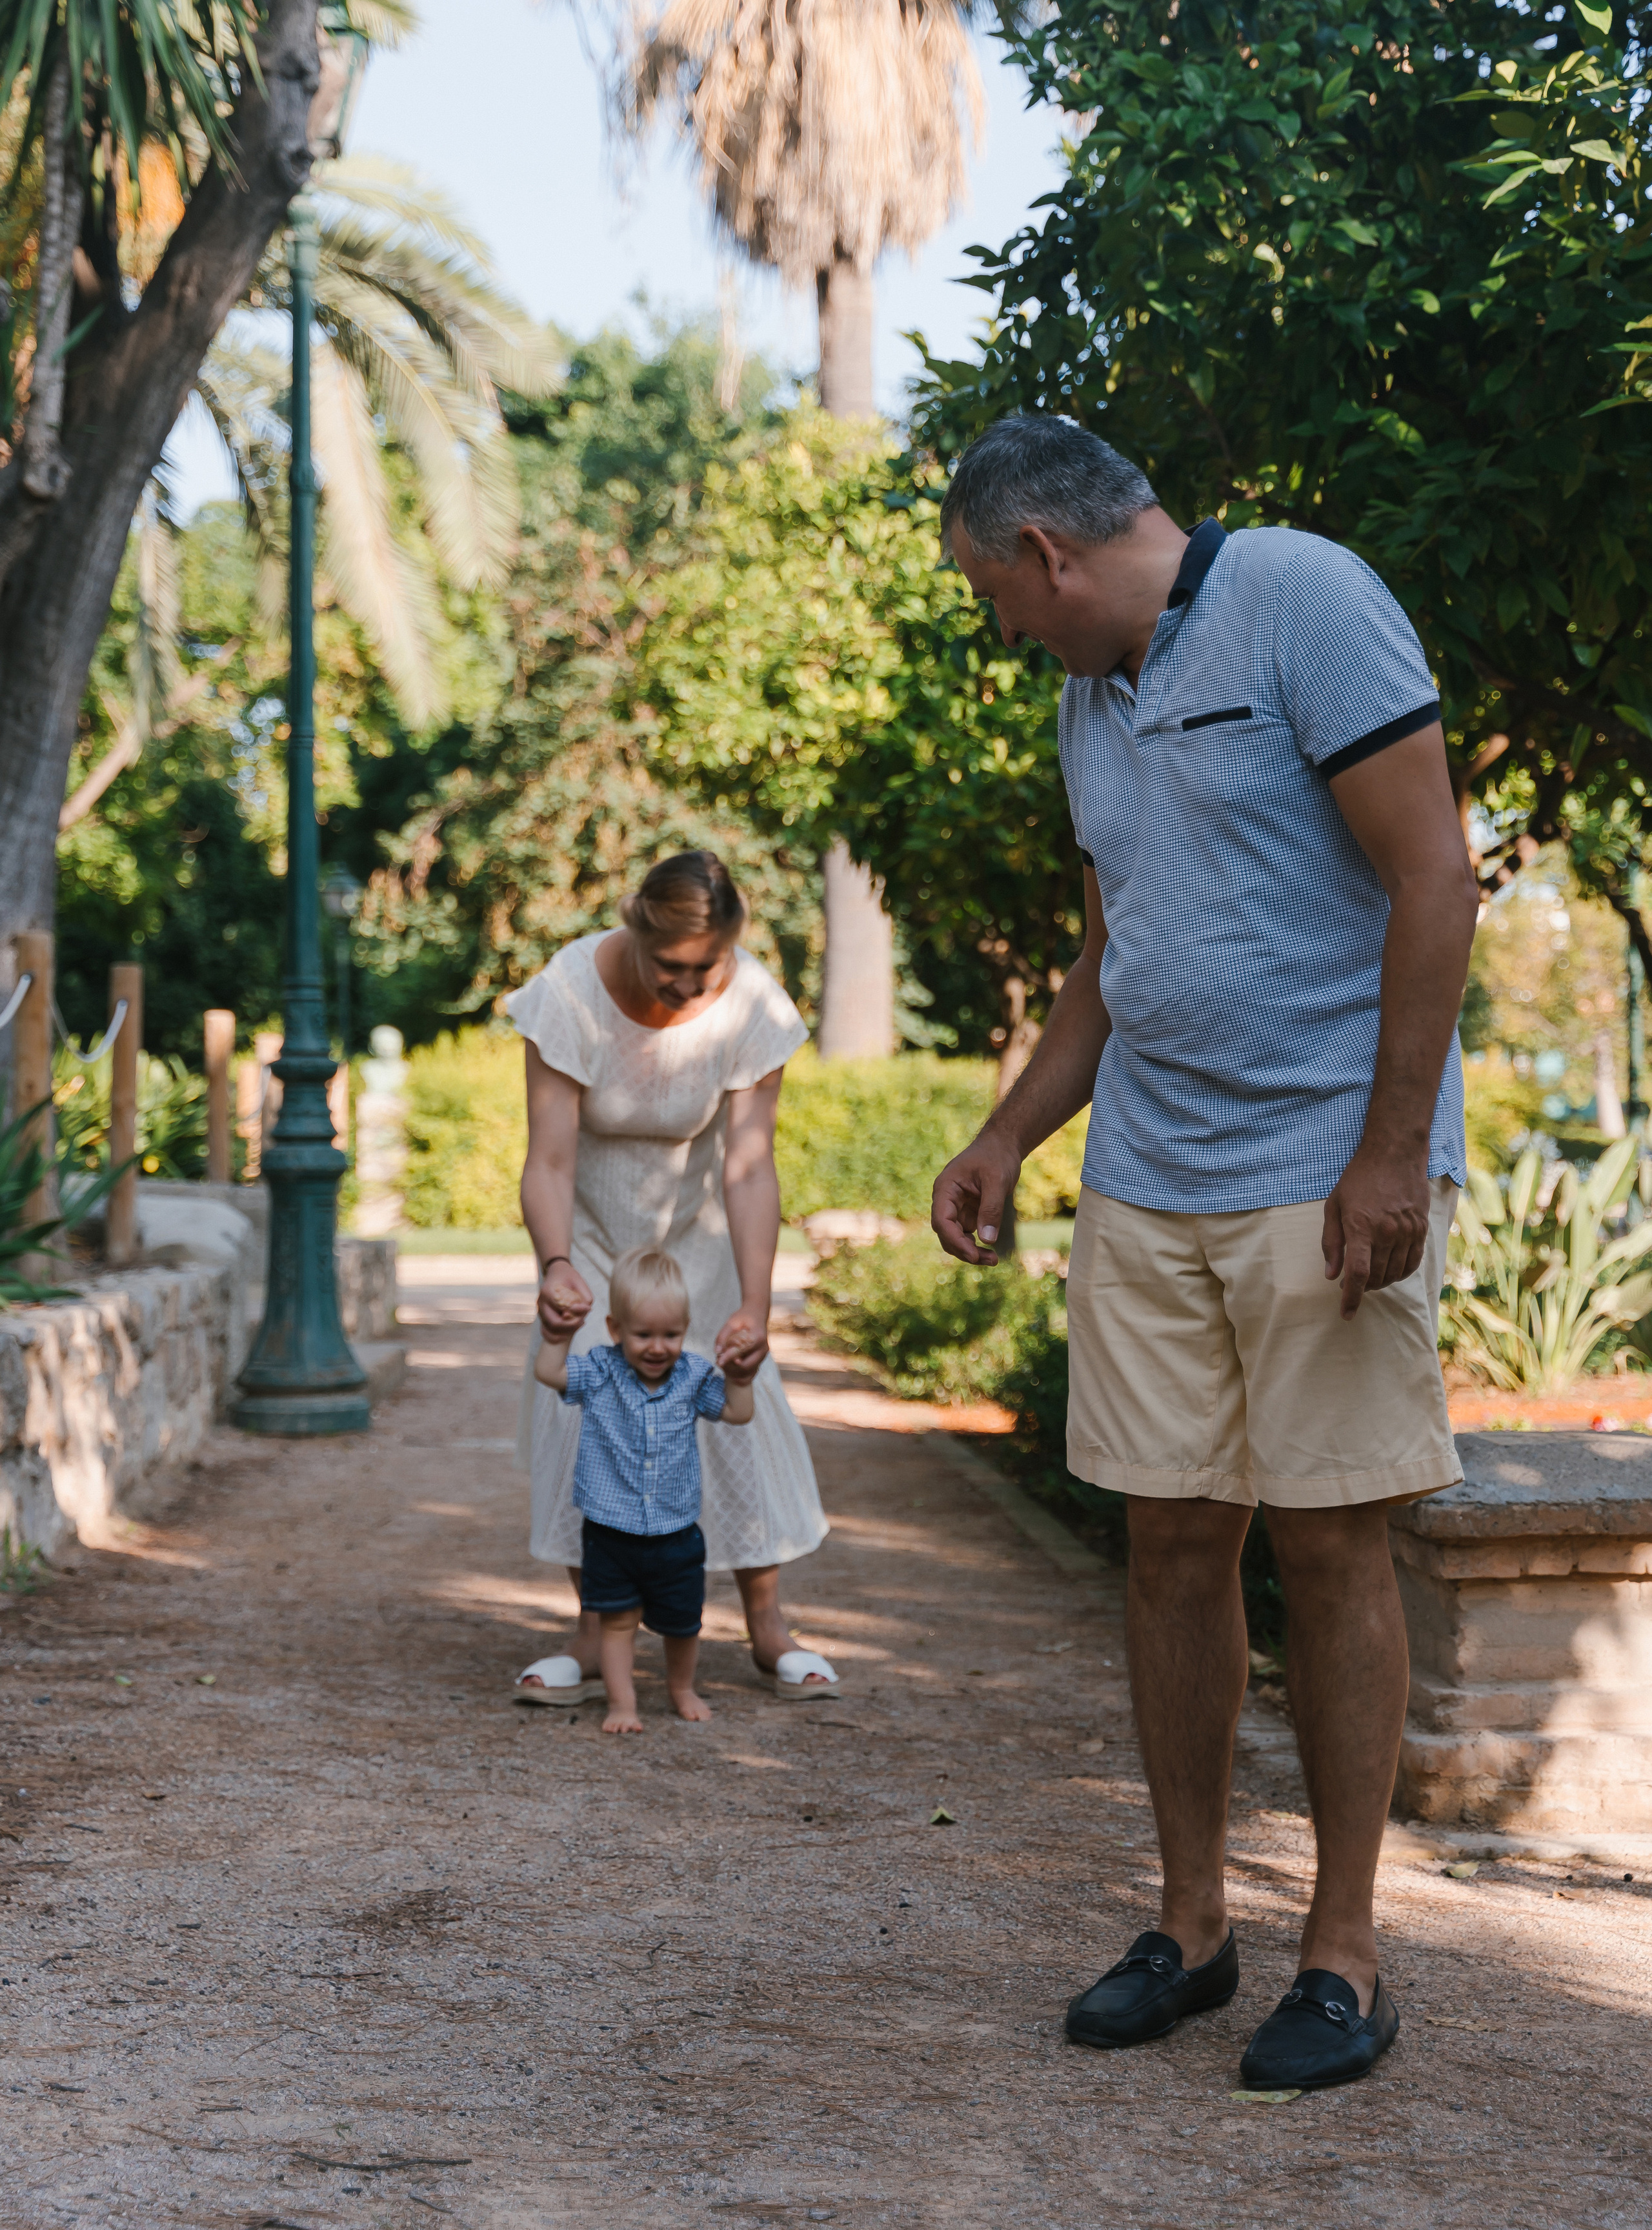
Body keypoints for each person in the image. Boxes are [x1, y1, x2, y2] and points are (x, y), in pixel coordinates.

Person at [929, 416, 1477, 2091]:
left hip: (1322, 1169)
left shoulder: (1304, 600)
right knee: (1168, 1539)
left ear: (1045, 555)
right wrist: (1007, 1135)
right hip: (1149, 1173)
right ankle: (1189, 1926)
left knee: (1328, 1544)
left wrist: (1390, 1154)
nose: (1000, 630)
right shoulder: (1089, 702)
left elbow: (1435, 880)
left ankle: (1344, 1952)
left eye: (993, 596)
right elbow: (1116, 954)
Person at [504, 848, 839, 1709]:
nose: (690, 987)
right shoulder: (569, 992)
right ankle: (594, 1633)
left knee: (737, 1406)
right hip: (589, 1244)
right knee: (585, 1420)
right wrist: (556, 1266)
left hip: (699, 1241)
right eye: (671, 967)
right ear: (635, 929)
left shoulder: (753, 1002)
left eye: (709, 967)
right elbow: (548, 1160)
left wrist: (755, 1305)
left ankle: (768, 1629)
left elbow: (750, 1167)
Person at [534, 1247, 756, 1733]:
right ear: (615, 1330)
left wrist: (741, 1378)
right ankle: (623, 1703)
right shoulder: (600, 1371)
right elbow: (549, 1373)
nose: (658, 1347)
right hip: (610, 1532)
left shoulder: (693, 1376)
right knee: (616, 1623)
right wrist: (557, 1336)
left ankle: (682, 1687)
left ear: (686, 1329)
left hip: (676, 1531)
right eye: (643, 1335)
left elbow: (738, 1413)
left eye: (671, 1335)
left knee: (683, 1623)